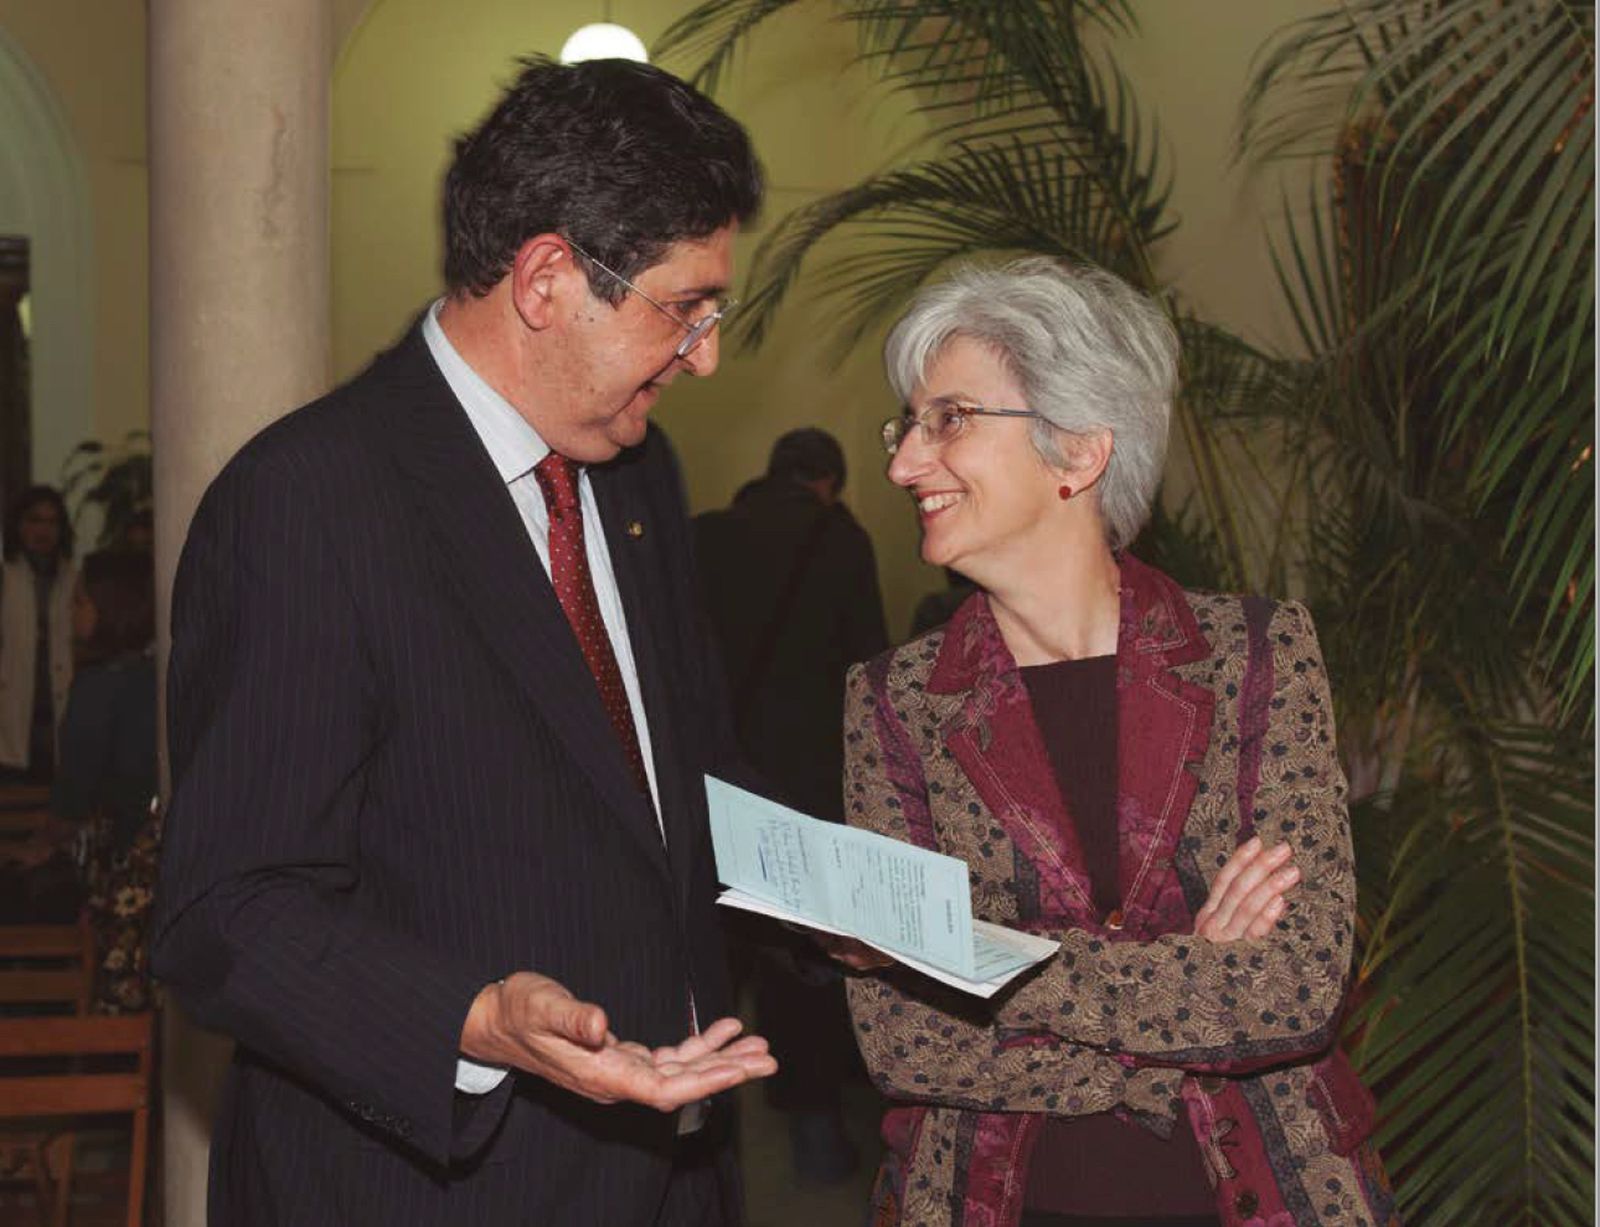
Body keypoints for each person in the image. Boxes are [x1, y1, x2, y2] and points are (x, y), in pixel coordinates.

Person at [152, 57, 776, 1226]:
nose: (704, 354)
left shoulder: (637, 476)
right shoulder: (309, 499)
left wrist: (845, 909)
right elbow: (227, 914)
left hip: (669, 1176)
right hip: (429, 1189)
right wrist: (472, 1017)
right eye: (683, 308)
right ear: (546, 279)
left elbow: (679, 783)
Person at [833, 259, 1398, 1226]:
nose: (903, 464)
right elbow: (905, 1036)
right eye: (909, 425)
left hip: (1268, 1192)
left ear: (1080, 449)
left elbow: (1297, 986)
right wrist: (1185, 982)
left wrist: (973, 952)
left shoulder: (1257, 654)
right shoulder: (894, 701)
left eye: (950, 419)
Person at [694, 427, 888, 1182]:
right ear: (830, 482)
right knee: (799, 962)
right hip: (804, 789)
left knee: (710, 960)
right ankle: (815, 1131)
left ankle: (701, 1136)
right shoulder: (841, 541)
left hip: (708, 785)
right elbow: (869, 669)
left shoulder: (705, 535)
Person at [0, 485, 75, 781]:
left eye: (52, 522)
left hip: (57, 714)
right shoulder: (6, 576)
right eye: (35, 520)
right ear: (18, 525)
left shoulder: (73, 579)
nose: (43, 530)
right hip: (11, 712)